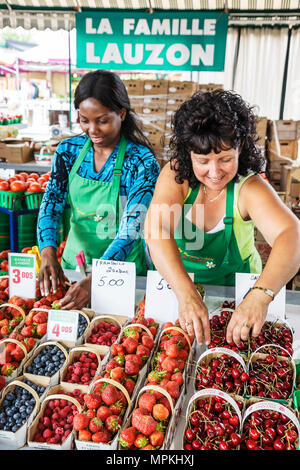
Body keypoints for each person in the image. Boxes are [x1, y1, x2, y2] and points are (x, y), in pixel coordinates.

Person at [144, 89, 300, 347]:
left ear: (239, 148)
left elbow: (292, 236)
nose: (214, 172)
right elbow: (157, 230)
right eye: (203, 161)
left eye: (225, 159)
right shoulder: (176, 176)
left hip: (237, 299)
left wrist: (260, 295)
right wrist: (185, 293)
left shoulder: (249, 188)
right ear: (188, 154)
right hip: (178, 285)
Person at [37, 70, 160, 310]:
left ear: (121, 114)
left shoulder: (140, 162)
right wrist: (47, 251)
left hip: (122, 271)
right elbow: (51, 204)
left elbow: (132, 227)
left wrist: (99, 278)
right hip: (75, 266)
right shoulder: (68, 151)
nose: (92, 129)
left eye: (102, 120)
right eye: (85, 120)